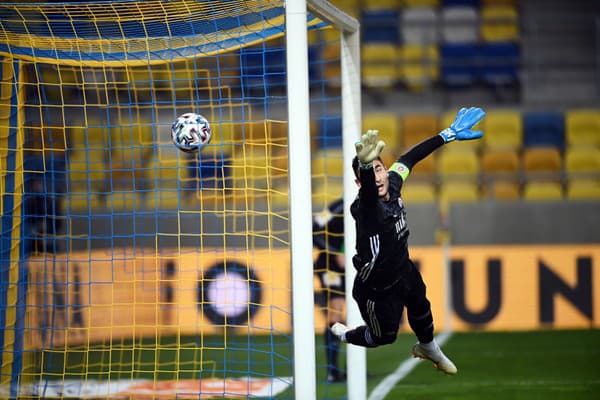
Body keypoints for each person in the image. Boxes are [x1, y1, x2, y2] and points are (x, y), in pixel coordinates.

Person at [331, 107, 486, 375]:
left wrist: (446, 135)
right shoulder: (365, 207)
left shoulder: (392, 182)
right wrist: (366, 166)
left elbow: (409, 158)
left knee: (421, 306)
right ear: (359, 182)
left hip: (403, 269)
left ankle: (428, 347)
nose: (379, 177)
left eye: (379, 168)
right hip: (376, 289)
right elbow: (369, 193)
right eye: (371, 173)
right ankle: (346, 335)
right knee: (384, 337)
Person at [312, 198, 346, 383]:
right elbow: (314, 229)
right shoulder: (337, 206)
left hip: (350, 265)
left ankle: (351, 368)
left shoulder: (369, 203)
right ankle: (332, 371)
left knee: (355, 313)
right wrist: (335, 252)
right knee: (336, 310)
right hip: (329, 265)